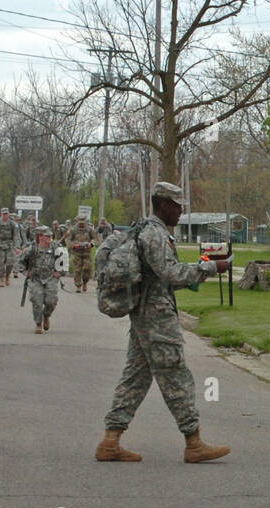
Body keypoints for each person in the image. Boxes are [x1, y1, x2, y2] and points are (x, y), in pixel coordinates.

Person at [97, 181, 232, 464]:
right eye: (177, 205)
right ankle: (193, 442)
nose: (181, 211)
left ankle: (110, 441)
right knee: (175, 375)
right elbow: (169, 273)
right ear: (163, 205)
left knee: (135, 378)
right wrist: (210, 267)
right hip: (156, 318)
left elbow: (162, 278)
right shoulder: (154, 234)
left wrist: (200, 271)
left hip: (146, 315)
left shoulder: (146, 231)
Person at [21, 225, 61, 334]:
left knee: (51, 301)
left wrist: (60, 272)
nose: (49, 238)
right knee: (37, 300)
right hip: (36, 278)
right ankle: (38, 323)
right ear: (40, 237)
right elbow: (20, 262)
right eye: (46, 236)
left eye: (50, 236)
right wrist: (26, 272)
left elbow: (63, 262)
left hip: (51, 277)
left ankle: (46, 316)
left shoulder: (56, 248)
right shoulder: (32, 249)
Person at [64, 214, 98, 292]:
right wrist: (73, 245)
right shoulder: (73, 230)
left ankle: (85, 282)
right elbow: (68, 240)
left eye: (83, 222)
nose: (81, 224)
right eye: (80, 223)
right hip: (77, 252)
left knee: (87, 269)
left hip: (87, 252)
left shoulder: (90, 229)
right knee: (77, 270)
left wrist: (91, 244)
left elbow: (96, 239)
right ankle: (78, 285)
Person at [0, 208, 20, 286]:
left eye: (6, 214)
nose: (5, 215)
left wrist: (17, 247)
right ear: (1, 214)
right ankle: (2, 279)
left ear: (8, 214)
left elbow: (16, 235)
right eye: (4, 214)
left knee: (10, 263)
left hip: (10, 244)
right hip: (0, 244)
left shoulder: (12, 223)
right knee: (1, 263)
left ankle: (7, 276)